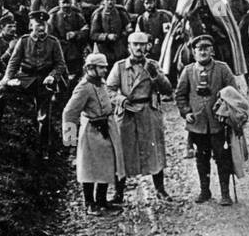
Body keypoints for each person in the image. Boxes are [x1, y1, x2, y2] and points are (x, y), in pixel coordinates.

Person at [0, 9, 68, 145]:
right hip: (25, 78)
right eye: (37, 24)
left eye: (43, 24)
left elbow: (60, 64)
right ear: (31, 26)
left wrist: (52, 76)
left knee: (43, 117)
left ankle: (44, 148)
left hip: (44, 80)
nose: (40, 27)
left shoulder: (53, 42)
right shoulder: (23, 41)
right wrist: (7, 79)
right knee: (2, 90)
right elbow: (13, 62)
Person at [106, 32, 175, 204]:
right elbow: (109, 90)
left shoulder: (152, 65)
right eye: (135, 44)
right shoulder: (120, 66)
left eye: (142, 44)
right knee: (122, 151)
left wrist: (156, 76)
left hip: (148, 111)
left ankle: (160, 190)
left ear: (147, 47)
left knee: (154, 150)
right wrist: (121, 100)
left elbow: (167, 89)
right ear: (129, 47)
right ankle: (118, 192)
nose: (138, 48)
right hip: (127, 112)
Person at [175, 36, 238, 206]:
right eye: (199, 49)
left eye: (206, 48)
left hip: (218, 124)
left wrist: (225, 111)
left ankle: (225, 193)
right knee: (201, 158)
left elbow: (234, 93)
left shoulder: (222, 69)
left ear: (212, 51)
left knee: (222, 157)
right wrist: (186, 112)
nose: (203, 52)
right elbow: (180, 95)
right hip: (197, 125)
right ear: (193, 52)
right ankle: (205, 191)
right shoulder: (188, 71)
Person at [162, 0, 249, 77]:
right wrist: (191, 11)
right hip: (191, 18)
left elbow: (221, 7)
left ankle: (228, 70)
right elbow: (182, 7)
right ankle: (171, 74)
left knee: (227, 38)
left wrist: (214, 13)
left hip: (211, 18)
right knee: (174, 40)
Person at [61, 52, 125, 214]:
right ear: (90, 68)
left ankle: (102, 201)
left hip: (106, 128)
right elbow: (69, 112)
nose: (105, 70)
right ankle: (90, 203)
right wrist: (70, 141)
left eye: (105, 67)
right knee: (89, 168)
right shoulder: (84, 87)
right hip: (91, 131)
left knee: (107, 165)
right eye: (101, 68)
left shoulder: (101, 83)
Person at [91, 0, 130, 65]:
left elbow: (129, 29)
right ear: (103, 1)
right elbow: (93, 35)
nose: (110, 2)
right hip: (105, 49)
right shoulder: (98, 15)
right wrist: (107, 36)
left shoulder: (121, 12)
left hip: (120, 47)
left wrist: (123, 34)